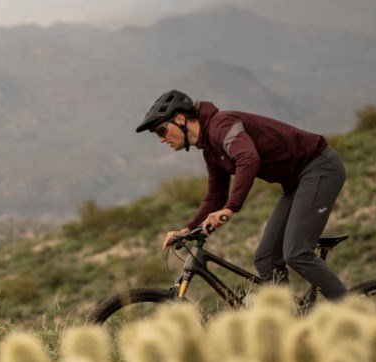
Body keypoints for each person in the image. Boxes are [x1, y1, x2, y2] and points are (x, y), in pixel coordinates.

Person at [136, 90, 347, 300]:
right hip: (295, 184)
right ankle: (287, 316)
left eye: (161, 131)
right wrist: (187, 229)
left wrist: (230, 208)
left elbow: (248, 158)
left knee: (296, 253)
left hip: (319, 167)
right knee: (266, 259)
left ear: (180, 119)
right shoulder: (210, 148)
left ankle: (354, 311)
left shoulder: (221, 125)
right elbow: (215, 195)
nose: (162, 140)